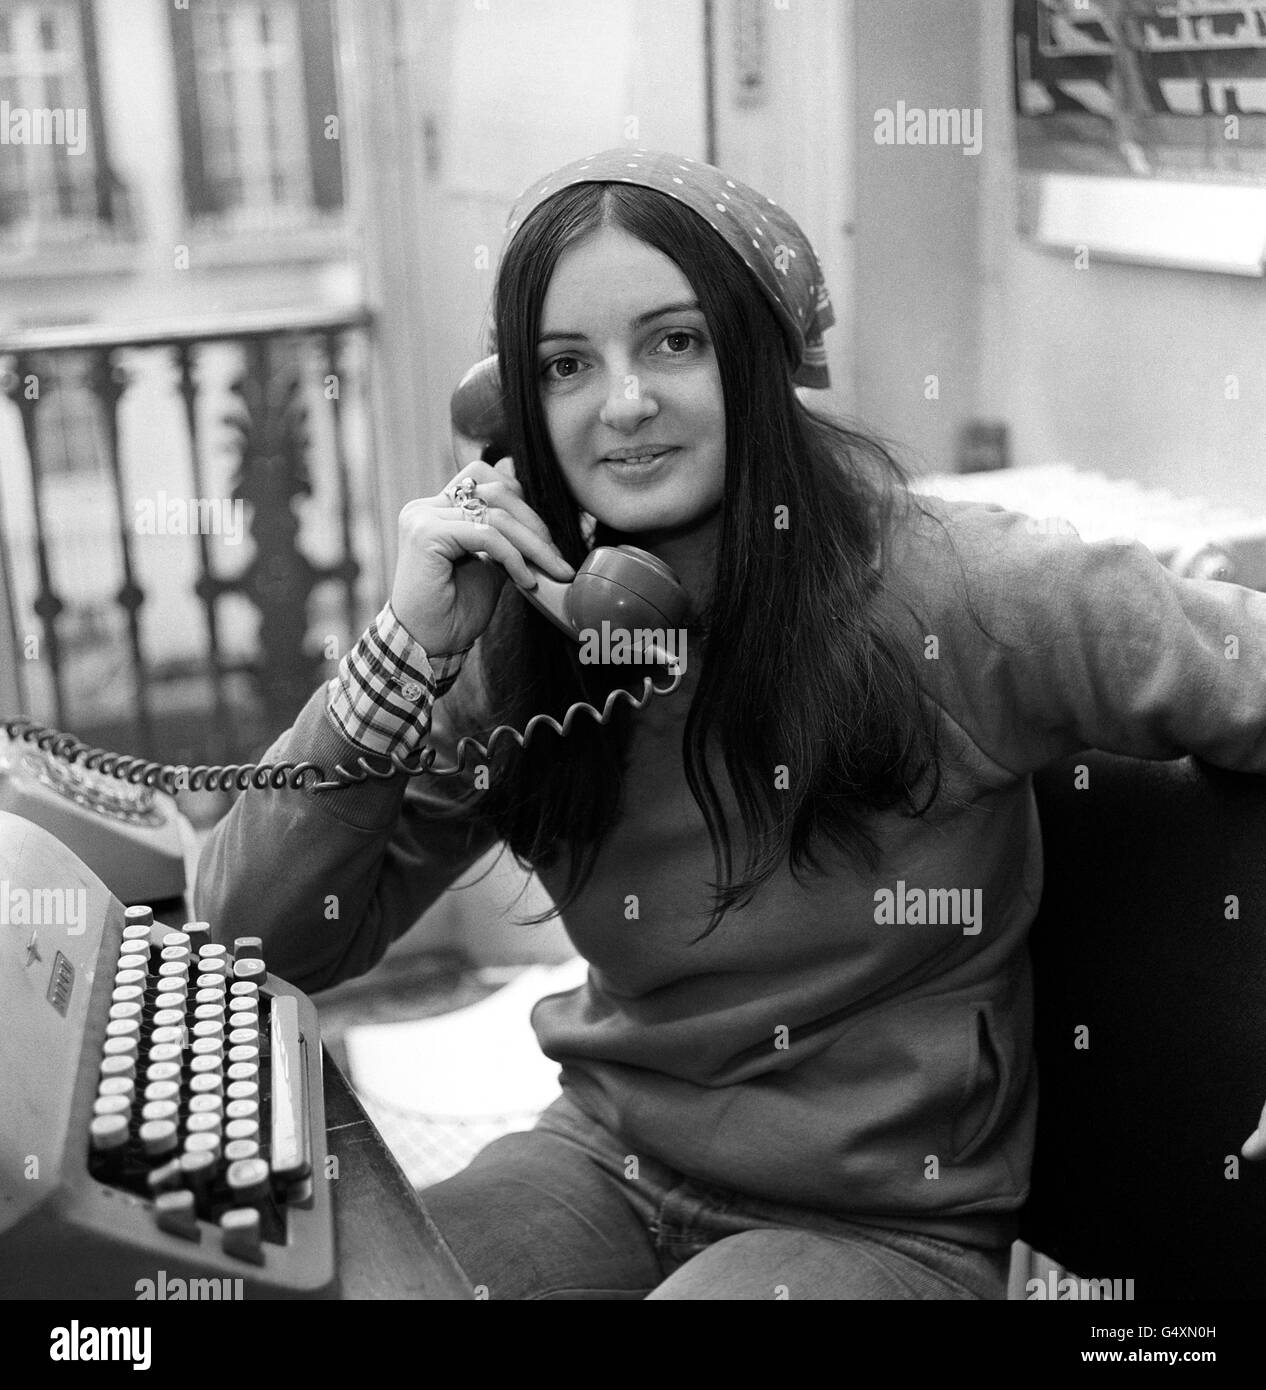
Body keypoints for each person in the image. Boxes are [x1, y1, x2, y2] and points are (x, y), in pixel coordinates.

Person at [197, 148, 1266, 1300]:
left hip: (882, 1226)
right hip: (605, 1160)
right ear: (512, 409)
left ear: (757, 357)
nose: (623, 403)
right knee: (347, 1286)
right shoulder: (514, 633)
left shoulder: (962, 590)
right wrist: (401, 654)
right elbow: (259, 931)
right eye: (565, 364)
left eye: (674, 340)